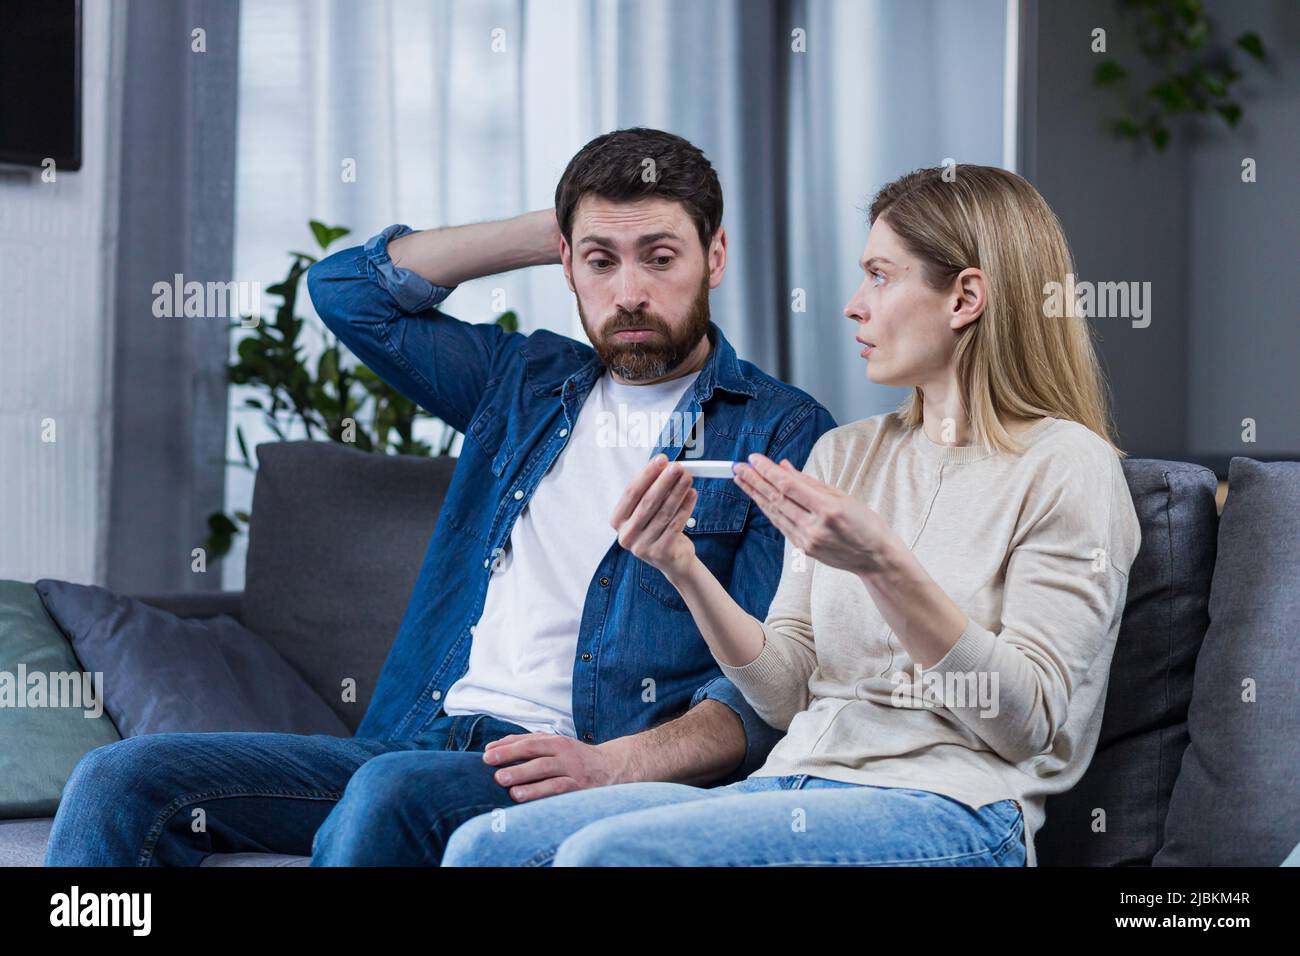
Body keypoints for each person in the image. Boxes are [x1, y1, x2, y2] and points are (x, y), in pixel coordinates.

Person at [42, 128, 835, 867]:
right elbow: (348, 291)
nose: (628, 292)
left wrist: (608, 766)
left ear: (715, 255)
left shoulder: (783, 430)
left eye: (659, 257)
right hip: (417, 743)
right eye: (600, 261)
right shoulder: (524, 381)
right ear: (565, 264)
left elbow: (764, 689)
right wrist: (555, 227)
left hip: (580, 766)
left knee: (388, 796)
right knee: (119, 778)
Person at [442, 164, 1142, 867]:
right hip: (792, 783)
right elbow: (784, 693)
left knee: (614, 856)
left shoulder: (1067, 466)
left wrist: (884, 567)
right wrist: (681, 567)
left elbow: (1029, 723)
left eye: (880, 276)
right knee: (487, 848)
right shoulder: (846, 455)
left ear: (964, 297)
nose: (853, 305)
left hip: (949, 808)